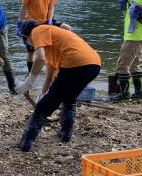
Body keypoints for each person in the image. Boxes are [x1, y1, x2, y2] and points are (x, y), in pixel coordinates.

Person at [16, 21, 101, 152]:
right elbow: (49, 78)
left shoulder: (37, 30)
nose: (29, 44)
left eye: (26, 40)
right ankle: (65, 133)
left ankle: (25, 142)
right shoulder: (52, 49)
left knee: (45, 106)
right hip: (93, 64)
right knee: (69, 97)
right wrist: (42, 95)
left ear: (26, 36)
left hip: (75, 62)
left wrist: (28, 83)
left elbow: (38, 58)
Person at [17, 0, 71, 72]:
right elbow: (23, 8)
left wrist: (49, 21)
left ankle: (63, 59)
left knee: (67, 28)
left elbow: (51, 7)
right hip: (32, 22)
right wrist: (19, 24)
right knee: (31, 51)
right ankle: (30, 73)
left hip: (46, 20)